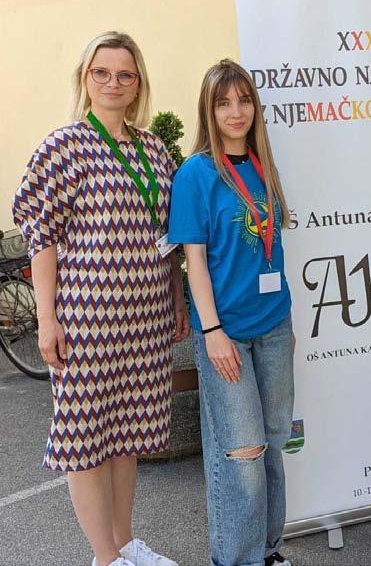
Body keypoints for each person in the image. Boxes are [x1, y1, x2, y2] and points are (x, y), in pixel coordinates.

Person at [12, 31, 189, 566]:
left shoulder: (153, 149)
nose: (114, 82)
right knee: (86, 439)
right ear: (85, 79)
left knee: (127, 435)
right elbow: (41, 237)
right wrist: (47, 320)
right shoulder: (63, 147)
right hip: (87, 319)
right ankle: (104, 558)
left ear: (138, 85)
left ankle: (125, 543)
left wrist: (176, 298)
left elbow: (168, 235)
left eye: (125, 74)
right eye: (102, 72)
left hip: (145, 319)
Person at [168, 59, 295, 566]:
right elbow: (194, 261)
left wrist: (285, 325)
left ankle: (268, 550)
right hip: (227, 334)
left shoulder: (263, 163)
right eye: (223, 103)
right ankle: (236, 559)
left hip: (274, 325)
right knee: (242, 454)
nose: (236, 111)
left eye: (243, 100)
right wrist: (213, 332)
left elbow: (271, 249)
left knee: (274, 442)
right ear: (209, 110)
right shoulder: (196, 174)